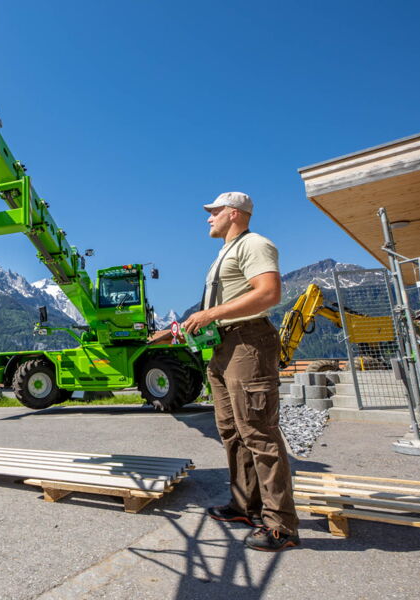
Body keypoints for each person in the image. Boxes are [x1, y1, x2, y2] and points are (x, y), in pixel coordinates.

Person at [181, 191, 300, 552]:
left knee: (259, 432)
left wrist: (210, 315)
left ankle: (281, 525)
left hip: (246, 343)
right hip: (222, 345)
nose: (208, 218)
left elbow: (269, 293)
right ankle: (245, 506)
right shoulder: (226, 253)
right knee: (231, 430)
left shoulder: (255, 244)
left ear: (233, 213)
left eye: (213, 212)